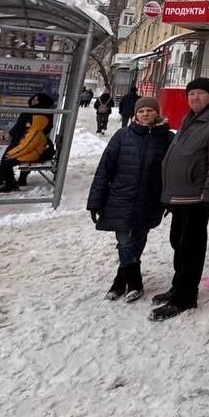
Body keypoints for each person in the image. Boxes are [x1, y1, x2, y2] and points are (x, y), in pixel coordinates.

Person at [150, 77, 209, 321]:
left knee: (191, 247)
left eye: (200, 93)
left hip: (196, 198)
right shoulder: (191, 118)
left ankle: (185, 297)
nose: (195, 98)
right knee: (178, 242)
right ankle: (178, 286)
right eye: (191, 93)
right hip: (181, 195)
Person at [87, 96, 172, 302]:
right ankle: (134, 282)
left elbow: (172, 171)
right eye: (141, 111)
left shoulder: (168, 138)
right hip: (120, 198)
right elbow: (104, 169)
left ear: (157, 112)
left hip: (150, 200)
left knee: (138, 240)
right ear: (135, 114)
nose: (145, 114)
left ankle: (118, 282)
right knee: (124, 241)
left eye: (149, 110)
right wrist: (95, 201)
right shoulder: (123, 135)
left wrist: (169, 199)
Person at [0, 93, 54, 193]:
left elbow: (41, 129)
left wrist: (29, 128)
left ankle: (18, 180)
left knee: (14, 158)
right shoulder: (30, 111)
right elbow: (19, 125)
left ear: (43, 102)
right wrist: (11, 134)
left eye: (37, 100)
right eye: (34, 99)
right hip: (19, 139)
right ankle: (1, 179)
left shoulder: (42, 113)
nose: (34, 101)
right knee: (5, 158)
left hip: (27, 140)